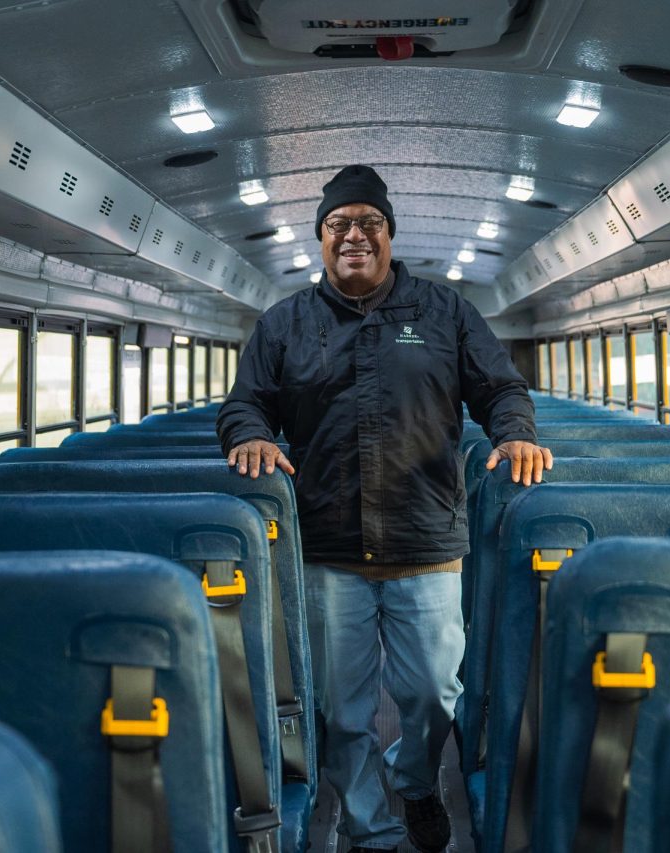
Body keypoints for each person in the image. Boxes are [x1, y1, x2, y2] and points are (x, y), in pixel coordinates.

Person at [217, 165, 551, 852]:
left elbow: (501, 388)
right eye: (339, 224)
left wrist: (516, 430)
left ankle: (418, 781)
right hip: (328, 545)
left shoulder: (444, 312)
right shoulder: (285, 324)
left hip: (425, 539)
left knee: (432, 694)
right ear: (321, 240)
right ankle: (373, 828)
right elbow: (245, 402)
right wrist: (249, 433)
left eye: (369, 222)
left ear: (390, 236)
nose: (354, 235)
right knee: (342, 711)